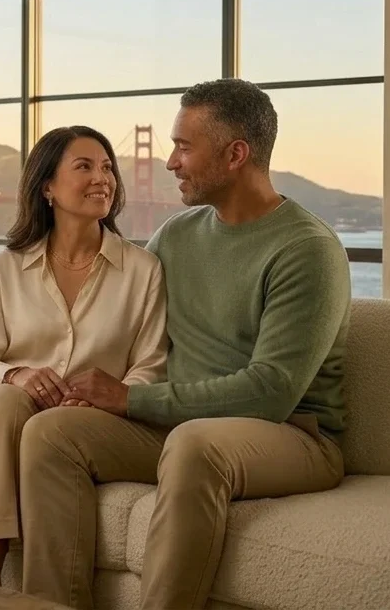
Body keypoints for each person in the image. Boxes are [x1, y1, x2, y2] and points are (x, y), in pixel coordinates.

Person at [19, 78, 352, 610]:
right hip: (176, 428)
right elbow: (120, 310)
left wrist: (129, 399)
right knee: (51, 434)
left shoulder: (306, 250)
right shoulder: (177, 235)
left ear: (236, 154)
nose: (171, 162)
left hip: (292, 435)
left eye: (184, 147)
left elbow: (271, 393)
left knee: (195, 444)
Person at [0, 125, 170, 586]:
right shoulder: (7, 267)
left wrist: (106, 398)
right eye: (84, 166)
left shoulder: (143, 270)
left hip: (88, 421)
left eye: (108, 167)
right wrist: (16, 375)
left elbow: (151, 366)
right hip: (2, 405)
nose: (102, 178)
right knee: (4, 403)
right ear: (47, 186)